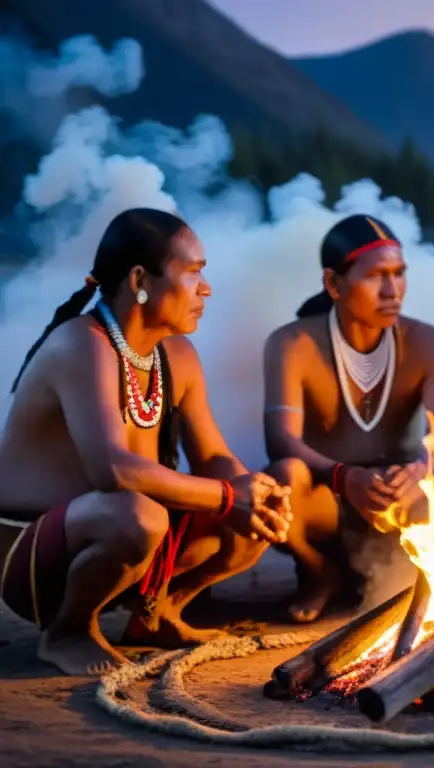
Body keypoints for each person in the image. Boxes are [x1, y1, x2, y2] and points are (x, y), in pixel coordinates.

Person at [0, 208, 291, 676]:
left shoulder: (177, 355)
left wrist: (253, 493)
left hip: (118, 528)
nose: (206, 288)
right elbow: (112, 470)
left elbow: (213, 455)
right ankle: (68, 631)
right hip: (27, 555)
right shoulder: (81, 344)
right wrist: (226, 495)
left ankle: (157, 614)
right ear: (140, 279)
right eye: (193, 272)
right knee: (141, 515)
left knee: (248, 508)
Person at [264, 214, 434, 623]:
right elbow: (281, 440)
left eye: (399, 274)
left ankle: (411, 581)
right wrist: (345, 478)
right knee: (283, 479)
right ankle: (319, 573)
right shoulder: (293, 343)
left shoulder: (426, 342)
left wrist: (419, 470)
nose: (393, 290)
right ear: (334, 284)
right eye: (376, 276)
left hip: (395, 497)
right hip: (328, 495)